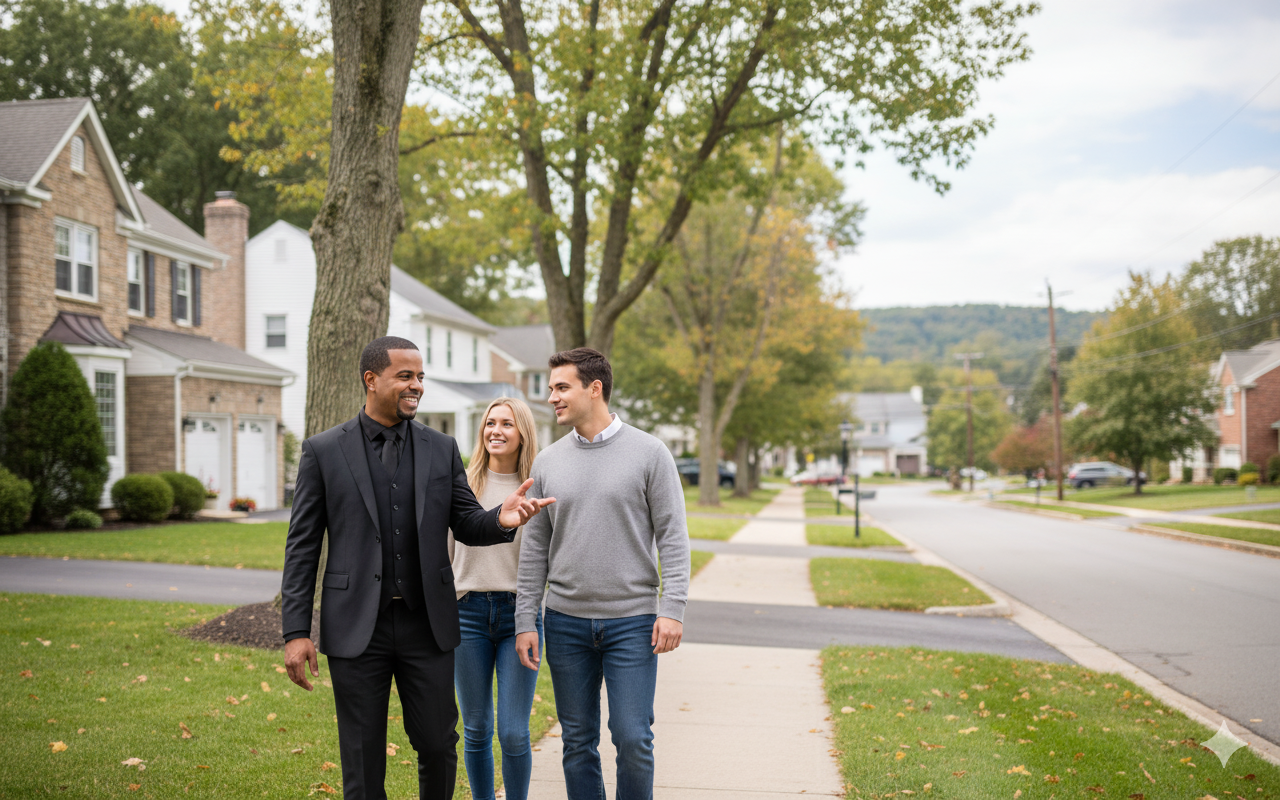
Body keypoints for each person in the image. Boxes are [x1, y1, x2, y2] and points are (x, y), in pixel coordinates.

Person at [280, 336, 554, 800]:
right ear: (371, 380)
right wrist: (296, 631)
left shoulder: (440, 448)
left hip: (426, 624)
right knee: (362, 755)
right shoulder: (323, 451)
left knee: (438, 744)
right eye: (405, 376)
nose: (417, 386)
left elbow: (467, 521)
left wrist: (500, 520)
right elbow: (302, 547)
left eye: (420, 377)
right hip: (353, 626)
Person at [514, 347, 690, 800]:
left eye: (561, 387)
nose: (552, 397)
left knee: (633, 737)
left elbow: (673, 536)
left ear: (595, 389)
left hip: (632, 622)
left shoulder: (650, 453)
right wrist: (525, 621)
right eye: (551, 388)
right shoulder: (548, 462)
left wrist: (672, 609)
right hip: (566, 622)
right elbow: (534, 550)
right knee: (577, 743)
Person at [449, 397, 542, 800]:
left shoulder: (539, 486)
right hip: (466, 613)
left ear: (523, 433)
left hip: (518, 618)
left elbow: (544, 559)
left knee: (514, 731)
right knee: (476, 727)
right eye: (490, 423)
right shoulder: (461, 482)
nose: (496, 431)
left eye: (507, 424)